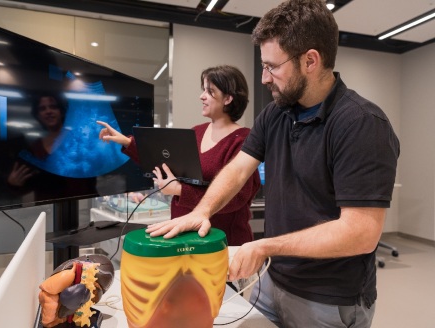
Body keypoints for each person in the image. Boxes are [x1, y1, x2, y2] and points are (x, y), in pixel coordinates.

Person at [146, 0, 400, 327]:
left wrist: (264, 246)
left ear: (310, 60)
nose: (264, 78)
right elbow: (239, 168)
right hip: (271, 280)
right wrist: (202, 211)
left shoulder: (361, 124)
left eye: (272, 67)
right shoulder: (276, 113)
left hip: (327, 298)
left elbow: (361, 232)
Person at [97, 65, 261, 246]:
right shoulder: (196, 132)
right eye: (203, 90)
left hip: (221, 243)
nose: (202, 96)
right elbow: (162, 163)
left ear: (228, 98)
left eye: (210, 91)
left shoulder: (244, 140)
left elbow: (236, 198)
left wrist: (179, 190)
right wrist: (127, 142)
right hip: (182, 237)